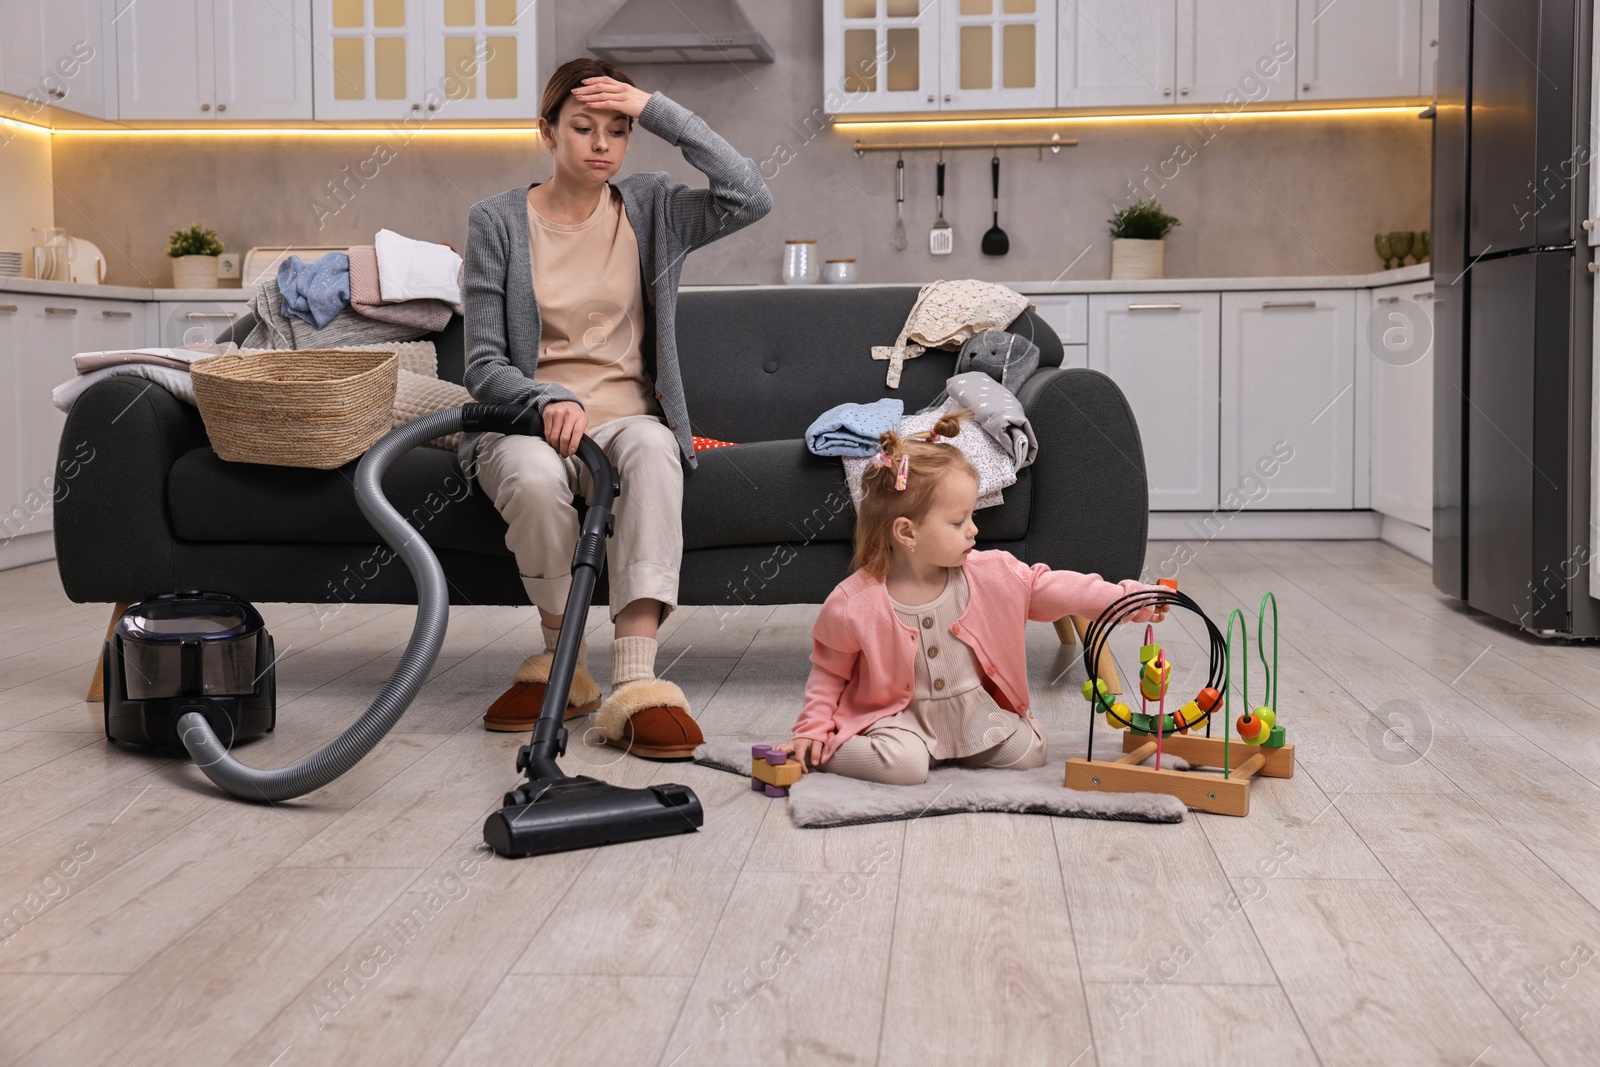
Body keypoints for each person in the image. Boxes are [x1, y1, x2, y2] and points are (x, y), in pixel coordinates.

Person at [461, 57, 772, 757]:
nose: (601, 144)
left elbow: (751, 195)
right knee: (536, 481)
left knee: (656, 450)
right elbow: (482, 364)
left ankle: (636, 681)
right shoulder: (497, 223)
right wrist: (546, 396)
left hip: (627, 417)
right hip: (526, 420)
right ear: (546, 132)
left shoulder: (654, 207)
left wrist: (654, 106)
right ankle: (563, 666)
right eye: (582, 127)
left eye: (618, 129)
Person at [778, 414, 1170, 784]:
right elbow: (830, 674)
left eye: (971, 516)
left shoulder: (991, 573)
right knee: (906, 767)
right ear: (906, 533)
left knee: (1030, 750)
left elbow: (1058, 589)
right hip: (898, 719)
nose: (973, 530)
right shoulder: (854, 602)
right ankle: (821, 755)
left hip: (969, 711)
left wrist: (1127, 599)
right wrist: (812, 730)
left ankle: (955, 749)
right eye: (958, 521)